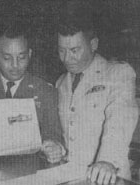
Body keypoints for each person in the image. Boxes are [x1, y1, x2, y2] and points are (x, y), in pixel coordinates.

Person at [55, 1, 138, 184]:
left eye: (74, 50)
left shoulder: (118, 73)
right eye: (62, 51)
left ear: (93, 44)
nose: (67, 59)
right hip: (71, 178)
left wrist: (107, 159)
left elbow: (120, 116)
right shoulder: (60, 83)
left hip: (108, 177)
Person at [0, 21, 64, 163]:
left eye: (21, 57)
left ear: (29, 54)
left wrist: (54, 145)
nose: (15, 65)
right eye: (7, 58)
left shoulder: (45, 91)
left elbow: (53, 132)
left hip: (29, 171)